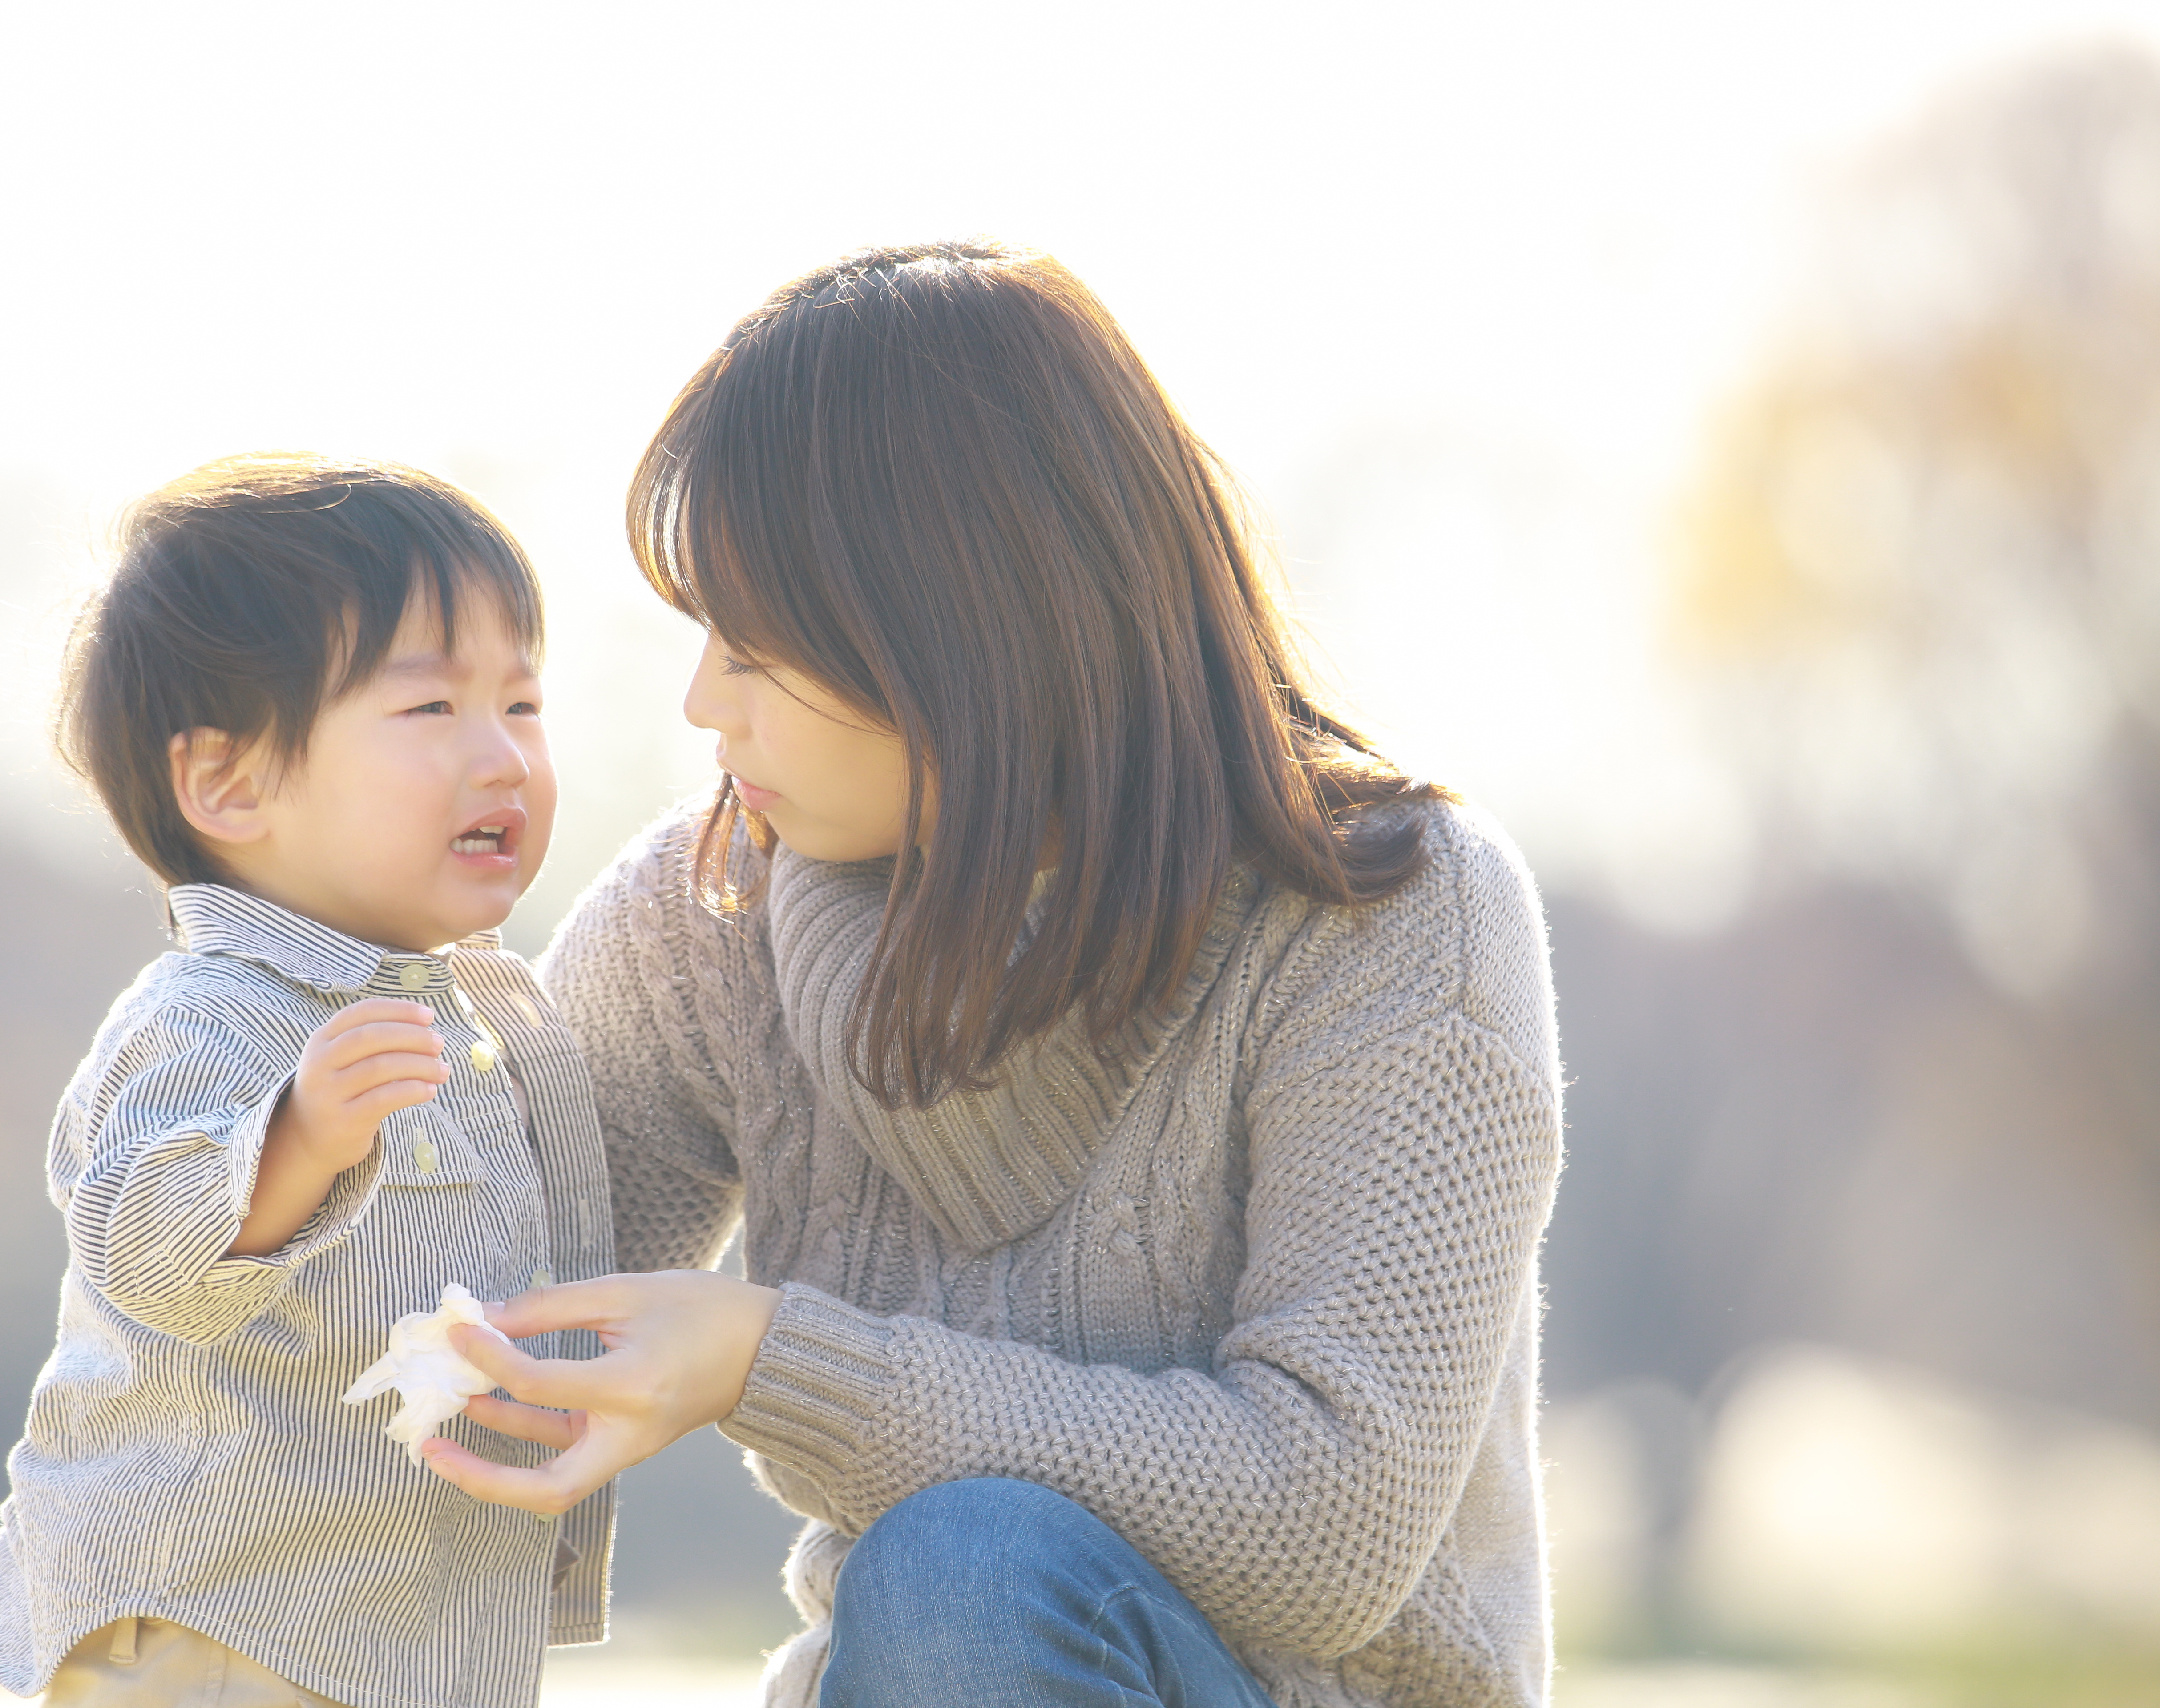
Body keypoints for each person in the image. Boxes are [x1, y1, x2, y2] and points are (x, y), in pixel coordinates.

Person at [423, 242, 1567, 1708]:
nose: (702, 702)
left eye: (756, 647)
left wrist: (769, 1361)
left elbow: (1323, 1525)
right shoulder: (703, 918)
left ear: (955, 632)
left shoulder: (1391, 914)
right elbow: (463, 1339)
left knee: (968, 1573)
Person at [0, 455, 616, 1708]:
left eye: (522, 706)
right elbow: (136, 1248)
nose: (504, 758)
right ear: (229, 783)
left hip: (392, 1627)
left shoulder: (468, 1015)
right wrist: (294, 1142)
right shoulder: (212, 1020)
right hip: (210, 1627)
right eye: (430, 712)